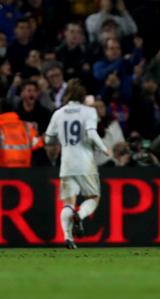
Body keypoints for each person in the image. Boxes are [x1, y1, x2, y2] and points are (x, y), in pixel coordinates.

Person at [45, 79, 110, 249]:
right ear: (83, 97)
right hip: (85, 162)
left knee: (68, 202)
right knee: (94, 198)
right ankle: (79, 216)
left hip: (66, 163)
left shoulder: (58, 113)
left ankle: (67, 237)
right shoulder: (89, 111)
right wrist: (104, 148)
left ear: (67, 96)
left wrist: (60, 140)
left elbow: (48, 138)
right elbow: (91, 132)